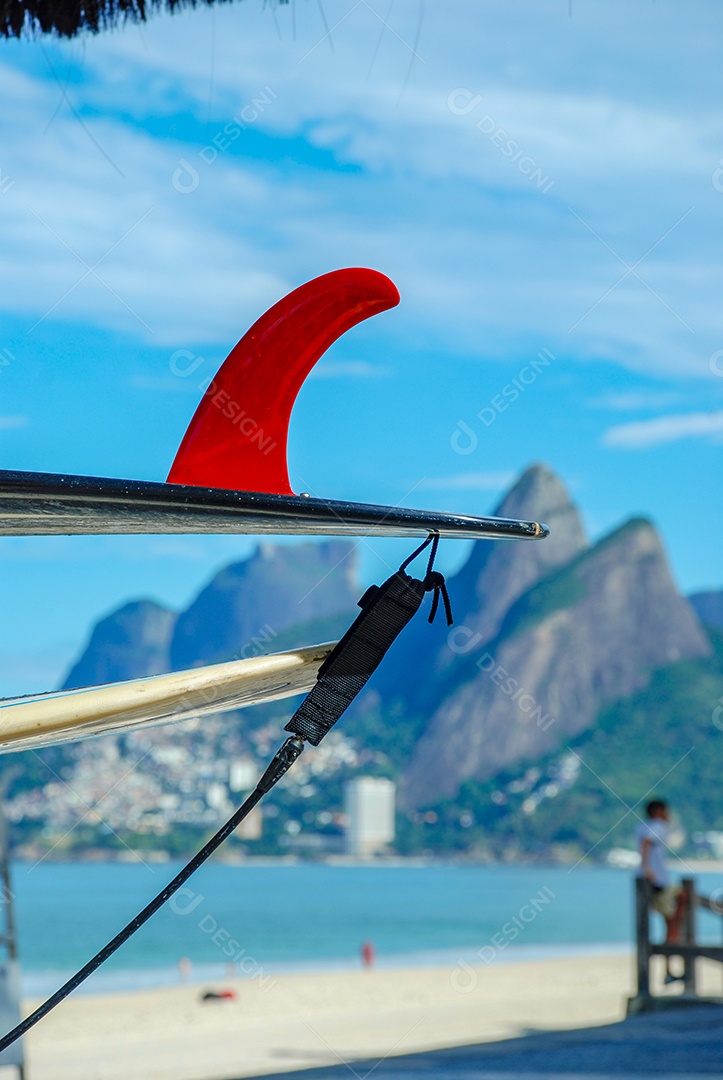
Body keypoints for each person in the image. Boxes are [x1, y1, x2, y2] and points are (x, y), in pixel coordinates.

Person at [635, 799, 686, 983]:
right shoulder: (657, 825)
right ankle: (674, 932)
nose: (668, 815)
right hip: (658, 881)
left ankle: (669, 963)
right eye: (666, 811)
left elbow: (645, 842)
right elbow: (647, 842)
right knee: (679, 901)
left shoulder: (643, 826)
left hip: (651, 881)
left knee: (675, 906)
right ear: (658, 812)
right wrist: (648, 869)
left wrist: (645, 868)